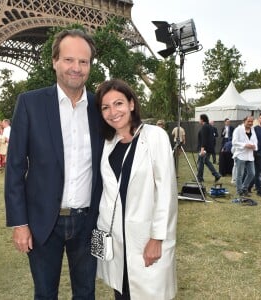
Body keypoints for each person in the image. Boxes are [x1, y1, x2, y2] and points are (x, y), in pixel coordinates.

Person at [4, 29, 103, 299]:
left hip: (89, 223)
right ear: (54, 61)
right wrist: (19, 224)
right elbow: (14, 168)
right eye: (69, 60)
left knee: (86, 292)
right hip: (41, 223)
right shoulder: (29, 103)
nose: (77, 68)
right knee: (45, 293)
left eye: (84, 62)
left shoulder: (100, 108)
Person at [95, 79, 178, 300]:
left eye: (118, 103)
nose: (113, 112)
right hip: (115, 241)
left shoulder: (154, 136)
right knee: (121, 293)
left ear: (131, 104)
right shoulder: (107, 143)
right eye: (105, 107)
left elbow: (166, 192)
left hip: (145, 239)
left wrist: (157, 238)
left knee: (148, 294)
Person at [231, 116, 257, 197]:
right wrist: (245, 145)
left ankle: (244, 188)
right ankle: (239, 191)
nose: (250, 123)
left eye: (251, 122)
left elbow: (255, 141)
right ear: (244, 121)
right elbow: (234, 142)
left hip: (250, 155)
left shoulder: (252, 130)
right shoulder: (238, 129)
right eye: (248, 121)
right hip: (240, 155)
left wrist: (254, 146)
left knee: (252, 173)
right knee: (239, 174)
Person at [196, 114, 221, 183]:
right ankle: (215, 175)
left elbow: (204, 139)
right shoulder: (210, 126)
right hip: (209, 148)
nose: (198, 120)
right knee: (205, 161)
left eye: (199, 119)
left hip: (205, 148)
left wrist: (202, 149)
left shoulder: (205, 127)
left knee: (202, 162)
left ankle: (200, 178)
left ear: (202, 119)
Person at [252, 113, 261, 196]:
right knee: (258, 172)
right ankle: (259, 191)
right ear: (258, 119)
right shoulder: (255, 129)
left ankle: (249, 186)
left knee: (260, 172)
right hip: (258, 153)